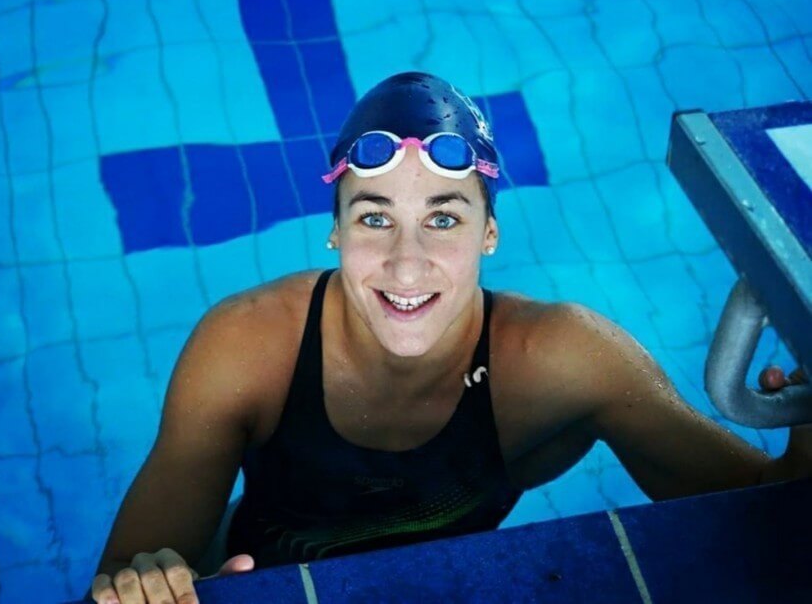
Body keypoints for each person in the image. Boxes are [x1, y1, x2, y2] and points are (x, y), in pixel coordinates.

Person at [89, 72, 811, 604]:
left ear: (489, 232)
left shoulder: (563, 361)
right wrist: (150, 582)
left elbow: (770, 511)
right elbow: (120, 575)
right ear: (336, 230)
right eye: (375, 218)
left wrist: (808, 428)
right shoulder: (247, 349)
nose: (407, 264)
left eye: (443, 219)